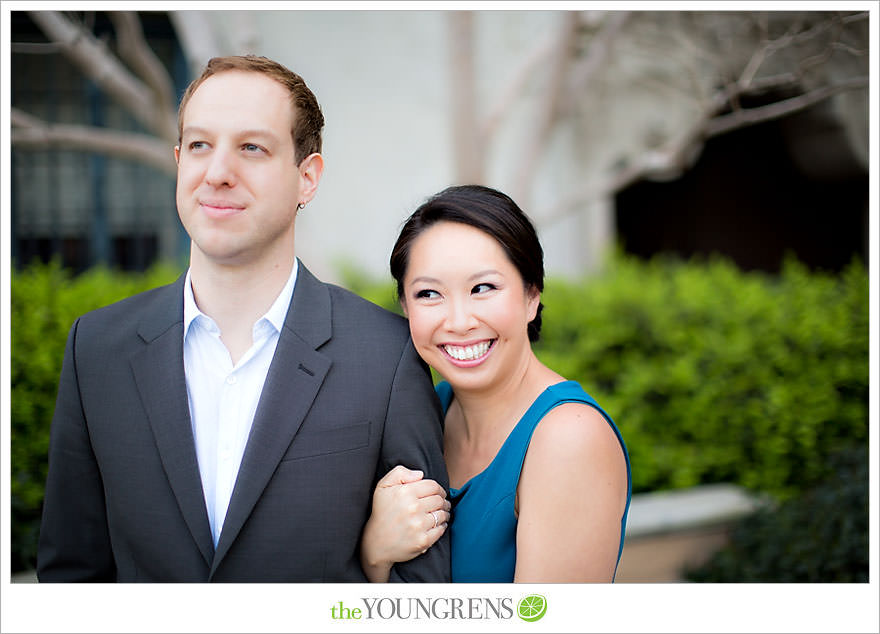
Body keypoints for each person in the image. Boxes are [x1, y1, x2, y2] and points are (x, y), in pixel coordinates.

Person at [36, 55, 450, 582]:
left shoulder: (387, 354)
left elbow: (424, 588)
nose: (218, 173)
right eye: (200, 146)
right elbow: (72, 578)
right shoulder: (96, 348)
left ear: (307, 177)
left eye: (251, 148)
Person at [360, 185, 631, 582]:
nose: (458, 321)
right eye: (429, 293)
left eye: (482, 288)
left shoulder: (568, 438)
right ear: (405, 306)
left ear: (531, 295)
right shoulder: (427, 409)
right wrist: (376, 550)